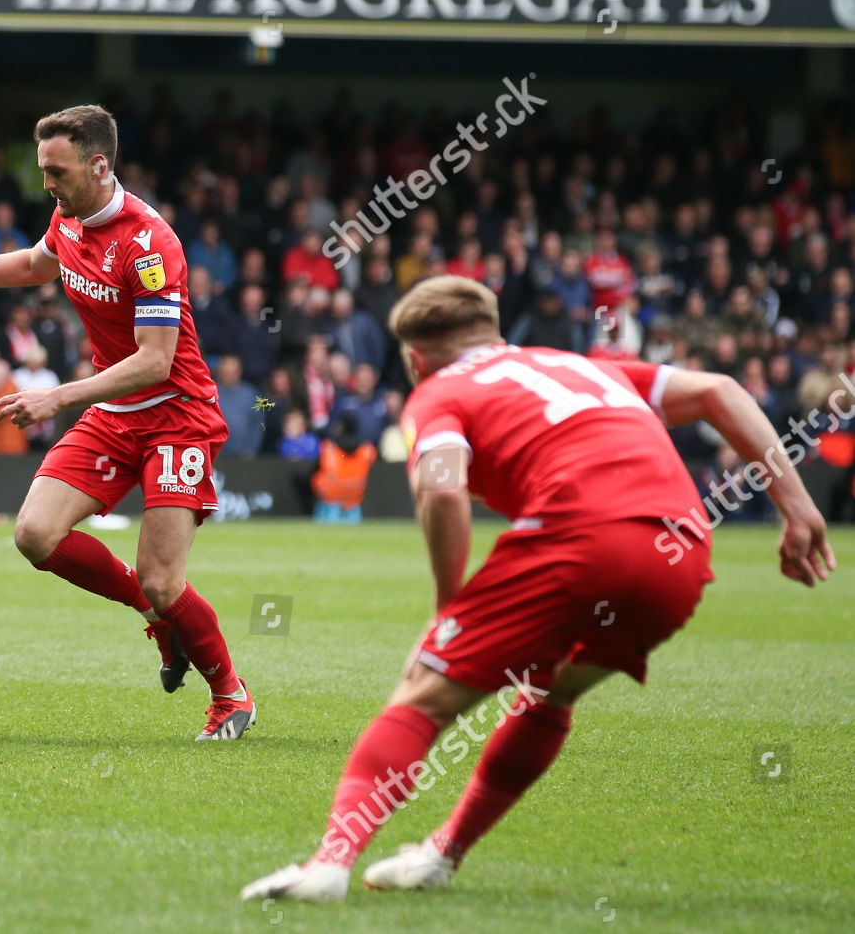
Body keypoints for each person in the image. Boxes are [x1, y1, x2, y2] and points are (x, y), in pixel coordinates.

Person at [242, 275, 834, 902]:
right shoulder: (580, 365)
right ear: (493, 330)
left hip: (581, 540)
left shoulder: (440, 393)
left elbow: (442, 486)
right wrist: (795, 506)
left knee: (423, 694)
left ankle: (330, 864)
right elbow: (719, 389)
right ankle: (442, 853)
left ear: (417, 358)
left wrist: (450, 610)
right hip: (679, 553)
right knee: (549, 692)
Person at [0, 104, 254, 740]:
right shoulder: (68, 215)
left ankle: (230, 693)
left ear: (99, 165)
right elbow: (37, 264)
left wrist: (57, 397)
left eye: (56, 171)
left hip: (177, 416)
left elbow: (154, 362)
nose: (47, 183)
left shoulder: (150, 245)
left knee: (162, 577)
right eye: (44, 170)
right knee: (35, 535)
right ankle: (161, 621)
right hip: (114, 412)